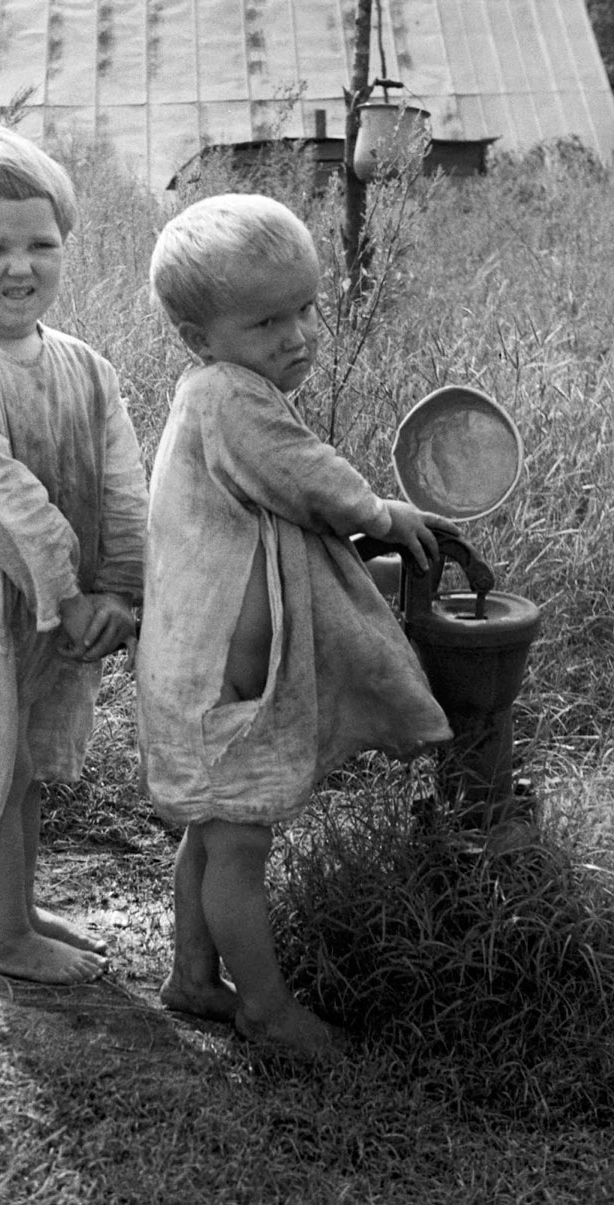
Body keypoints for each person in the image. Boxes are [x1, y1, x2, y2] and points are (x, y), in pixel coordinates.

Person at [137, 192, 458, 1056]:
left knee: (215, 829)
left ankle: (193, 975)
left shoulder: (217, 389)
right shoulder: (232, 399)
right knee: (239, 847)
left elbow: (271, 499)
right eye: (268, 319)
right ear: (201, 337)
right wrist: (381, 514)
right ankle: (267, 1011)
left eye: (308, 307)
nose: (298, 334)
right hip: (223, 685)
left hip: (201, 672)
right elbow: (304, 475)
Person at [0, 123, 147, 985]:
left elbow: (123, 483)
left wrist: (119, 585)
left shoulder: (86, 365)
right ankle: (0, 938)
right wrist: (70, 594)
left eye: (40, 243)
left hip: (65, 603)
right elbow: (9, 503)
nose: (21, 265)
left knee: (34, 761)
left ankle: (21, 907)